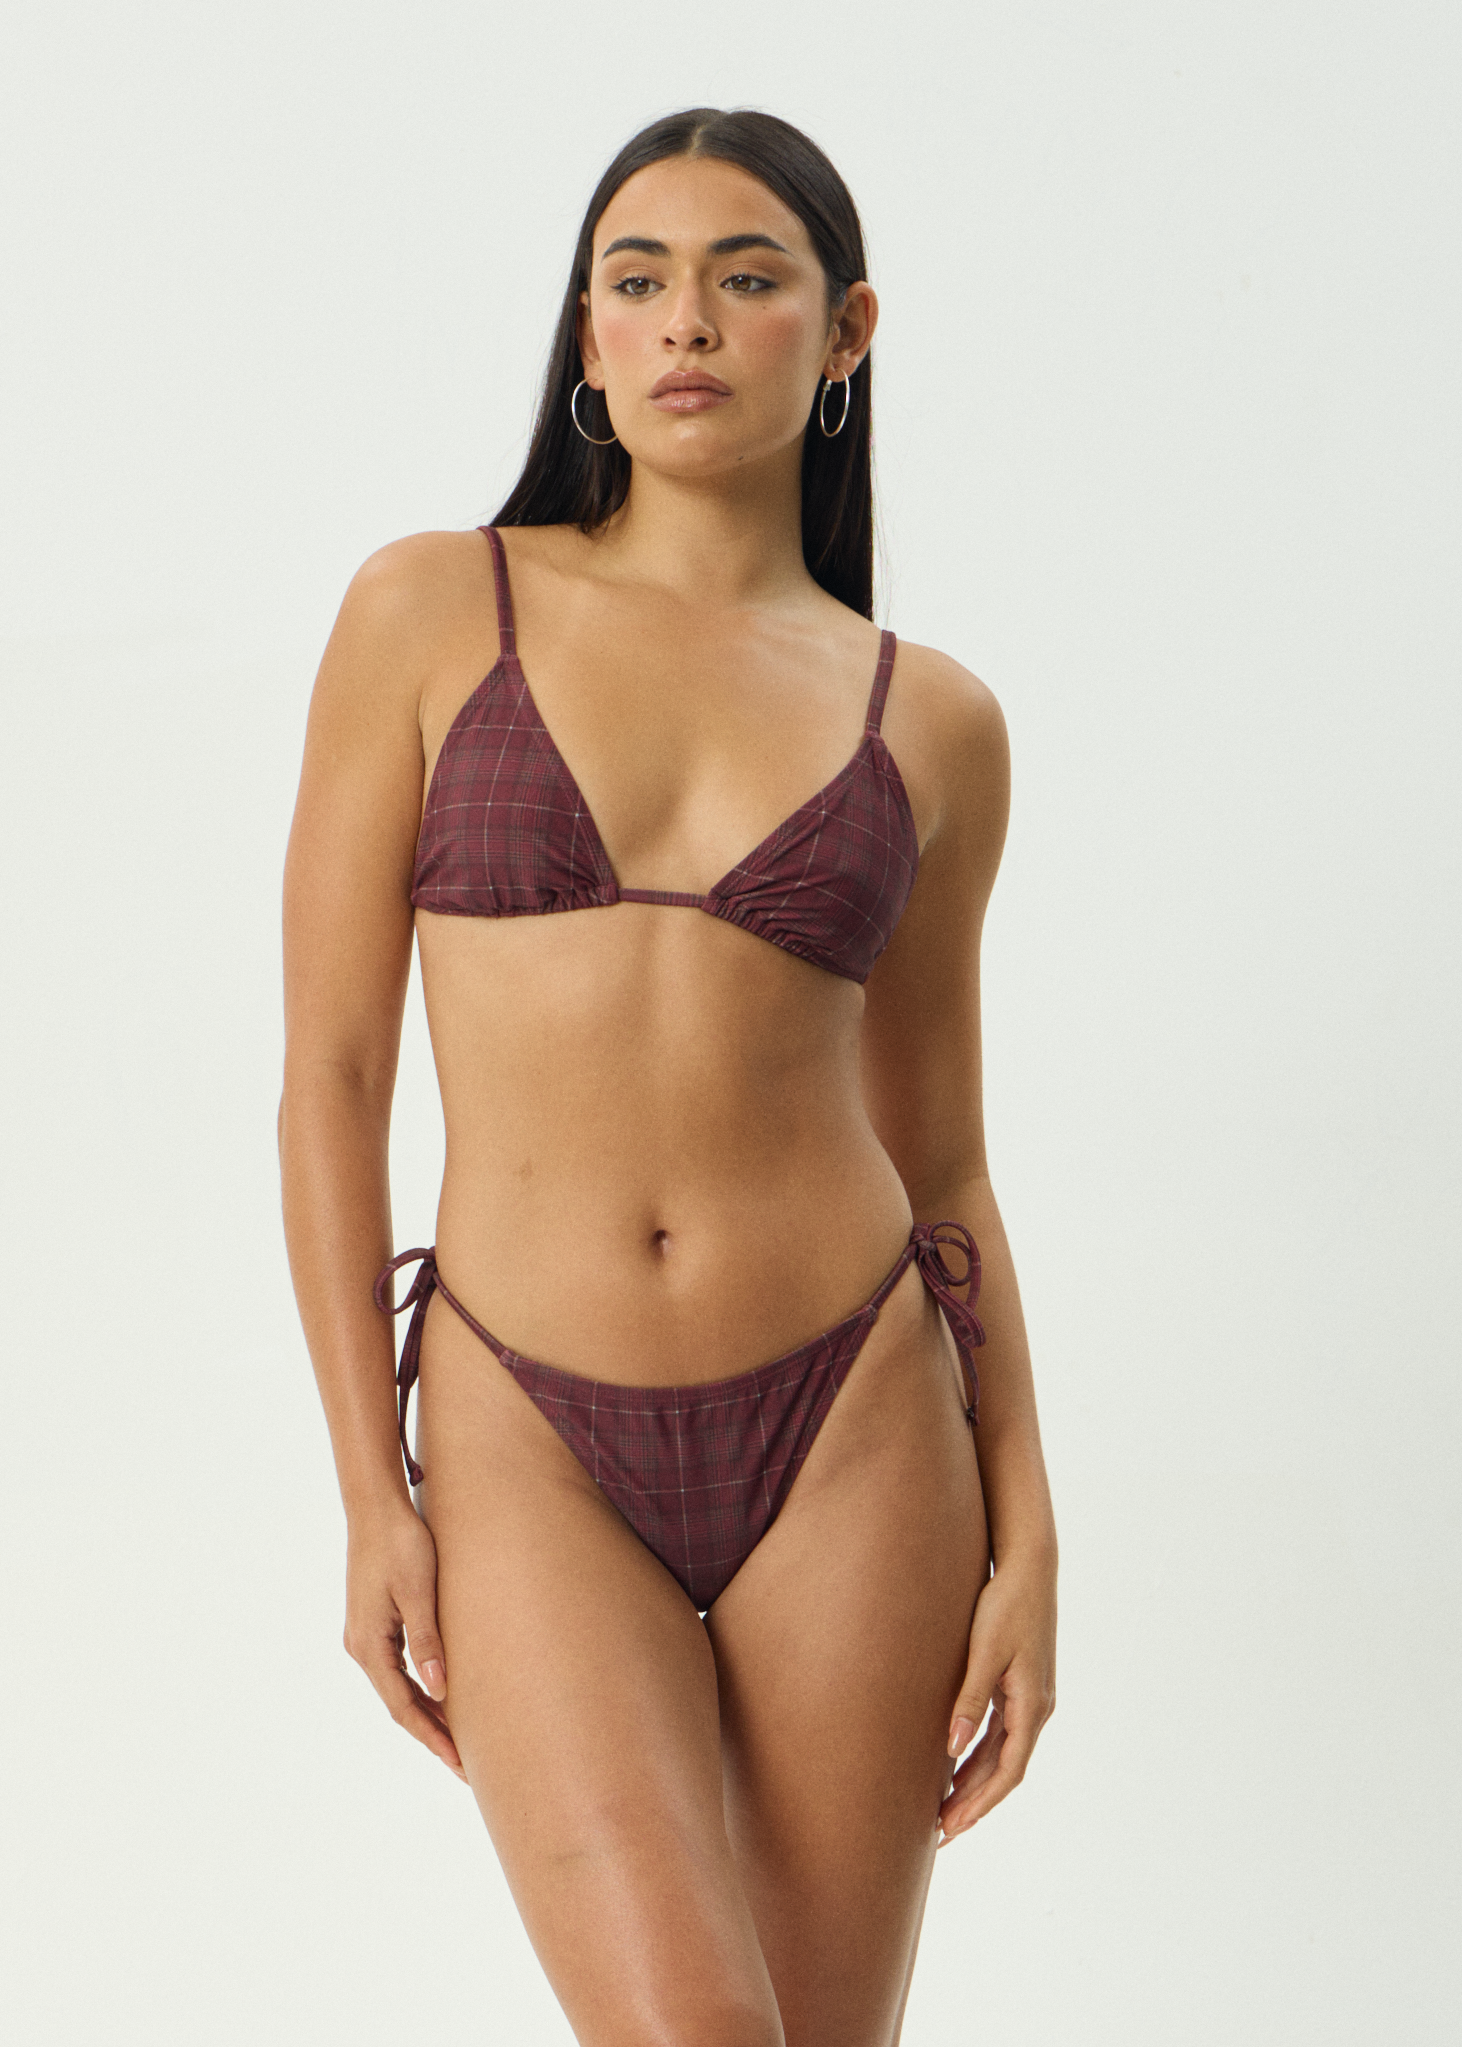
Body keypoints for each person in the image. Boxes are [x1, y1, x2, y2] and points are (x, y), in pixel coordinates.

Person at [280, 105, 1057, 2047]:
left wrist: (1027, 1522)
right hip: (525, 1426)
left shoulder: (931, 720)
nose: (682, 321)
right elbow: (331, 1076)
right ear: (588, 338)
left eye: (744, 277)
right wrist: (372, 1494)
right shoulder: (430, 608)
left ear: (845, 331)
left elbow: (945, 1164)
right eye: (633, 281)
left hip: (857, 1424)